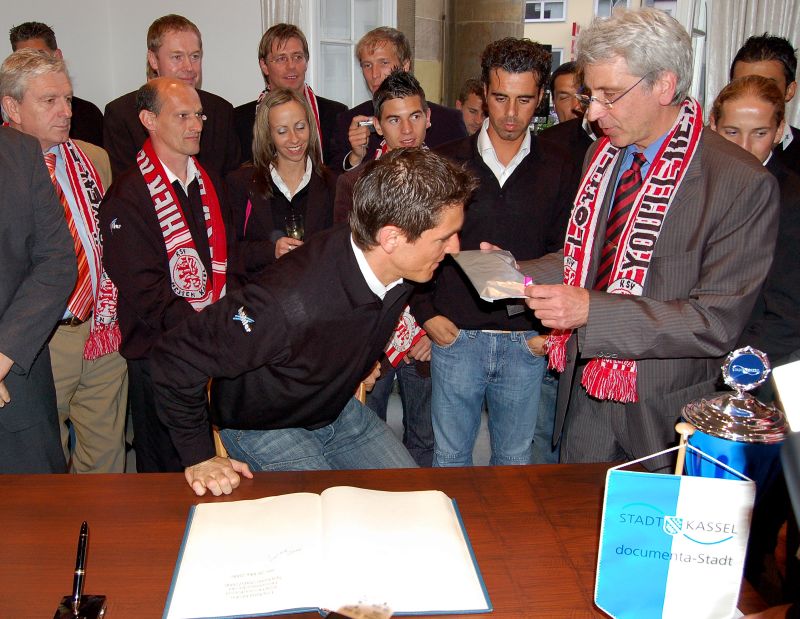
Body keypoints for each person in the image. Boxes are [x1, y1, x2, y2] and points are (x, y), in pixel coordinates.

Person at [521, 8, 779, 468]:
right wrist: (513, 273)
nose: (592, 113)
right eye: (590, 95)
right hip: (587, 399)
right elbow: (586, 259)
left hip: (668, 411)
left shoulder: (738, 182)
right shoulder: (602, 158)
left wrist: (590, 310)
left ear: (663, 85)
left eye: (610, 95)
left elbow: (715, 321)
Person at [148, 148, 475, 496]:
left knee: (414, 501)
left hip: (336, 410)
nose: (454, 248)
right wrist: (199, 456)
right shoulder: (285, 303)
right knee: (327, 517)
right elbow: (175, 357)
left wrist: (358, 362)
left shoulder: (402, 269)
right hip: (264, 425)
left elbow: (352, 321)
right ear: (391, 238)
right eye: (443, 238)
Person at [411, 37, 576, 467]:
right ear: (484, 93)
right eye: (501, 97)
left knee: (515, 464)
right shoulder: (445, 162)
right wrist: (427, 313)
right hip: (456, 337)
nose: (510, 113)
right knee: (449, 459)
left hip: (526, 342)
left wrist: (548, 336)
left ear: (540, 98)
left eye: (524, 100)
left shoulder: (561, 166)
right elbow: (418, 246)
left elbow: (567, 255)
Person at [1, 50, 127, 473]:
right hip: (38, 341)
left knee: (107, 463)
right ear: (12, 107)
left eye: (68, 99)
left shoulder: (94, 159)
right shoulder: (8, 170)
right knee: (43, 468)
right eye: (49, 100)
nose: (66, 111)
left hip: (101, 329)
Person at [100, 77, 234, 473]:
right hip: (158, 355)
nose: (195, 125)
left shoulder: (210, 183)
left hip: (210, 347)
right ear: (149, 120)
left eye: (199, 115)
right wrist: (204, 332)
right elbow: (145, 290)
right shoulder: (127, 194)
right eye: (182, 116)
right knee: (166, 474)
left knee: (216, 463)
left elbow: (231, 261)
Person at [710, 75, 800, 600]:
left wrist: (737, 366)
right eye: (731, 132)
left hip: (766, 374)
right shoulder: (702, 187)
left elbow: (789, 309)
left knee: (756, 506)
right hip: (705, 359)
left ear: (780, 131)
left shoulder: (793, 198)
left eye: (759, 133)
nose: (745, 146)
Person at [333, 68, 435, 466]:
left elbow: (452, 260)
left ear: (428, 117)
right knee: (365, 438)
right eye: (394, 119)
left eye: (414, 116)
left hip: (426, 329)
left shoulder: (448, 181)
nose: (406, 130)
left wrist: (432, 321)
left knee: (424, 437)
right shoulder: (354, 183)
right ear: (377, 125)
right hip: (372, 333)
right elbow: (344, 268)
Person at [0, 125, 75, 473]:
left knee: (38, 504)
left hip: (16, 379)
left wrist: (4, 355)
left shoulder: (19, 152)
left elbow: (56, 262)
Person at [103, 14, 240, 178]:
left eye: (195, 56)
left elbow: (232, 182)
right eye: (177, 57)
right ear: (153, 60)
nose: (189, 67)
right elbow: (125, 185)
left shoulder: (221, 111)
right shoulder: (123, 115)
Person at [227, 87, 334, 275]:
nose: (294, 139)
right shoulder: (241, 184)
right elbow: (229, 253)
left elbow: (344, 252)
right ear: (268, 135)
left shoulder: (334, 184)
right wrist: (270, 251)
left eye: (300, 127)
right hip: (260, 291)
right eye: (282, 131)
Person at [331, 27, 466, 171]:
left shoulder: (448, 121)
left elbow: (466, 176)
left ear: (405, 66)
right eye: (367, 65)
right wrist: (355, 157)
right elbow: (333, 178)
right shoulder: (349, 121)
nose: (374, 74)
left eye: (384, 63)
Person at [233, 23, 346, 165]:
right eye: (281, 59)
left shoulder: (336, 115)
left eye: (297, 57)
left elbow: (340, 173)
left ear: (306, 62)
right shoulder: (239, 120)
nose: (291, 66)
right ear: (264, 66)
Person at [9, 21, 104, 147]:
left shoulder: (88, 115)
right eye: (23, 59)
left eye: (39, 56)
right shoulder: (5, 118)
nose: (32, 65)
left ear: (57, 56)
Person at [731, 34, 799, 176]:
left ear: (789, 91)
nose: (752, 94)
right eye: (742, 85)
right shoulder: (706, 145)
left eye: (767, 87)